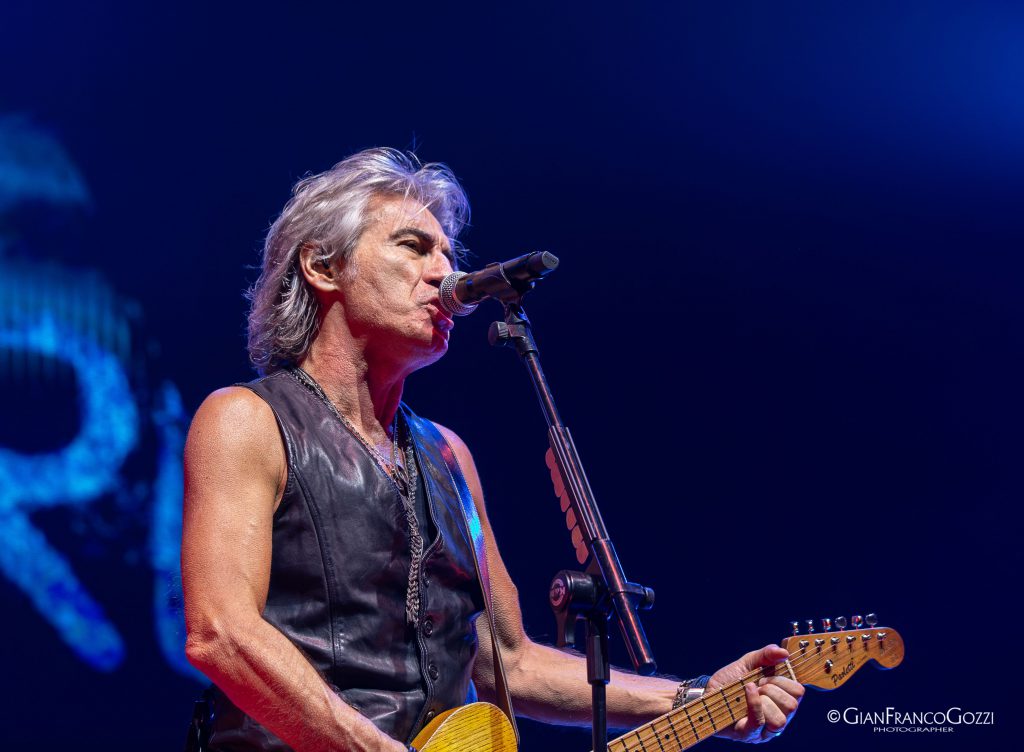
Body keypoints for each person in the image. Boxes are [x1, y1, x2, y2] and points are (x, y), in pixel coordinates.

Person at [181, 148, 804, 752]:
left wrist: (699, 699)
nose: (445, 274)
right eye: (413, 247)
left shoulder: (448, 457)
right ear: (323, 267)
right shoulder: (245, 421)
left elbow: (510, 661)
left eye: (448, 254)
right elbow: (221, 633)